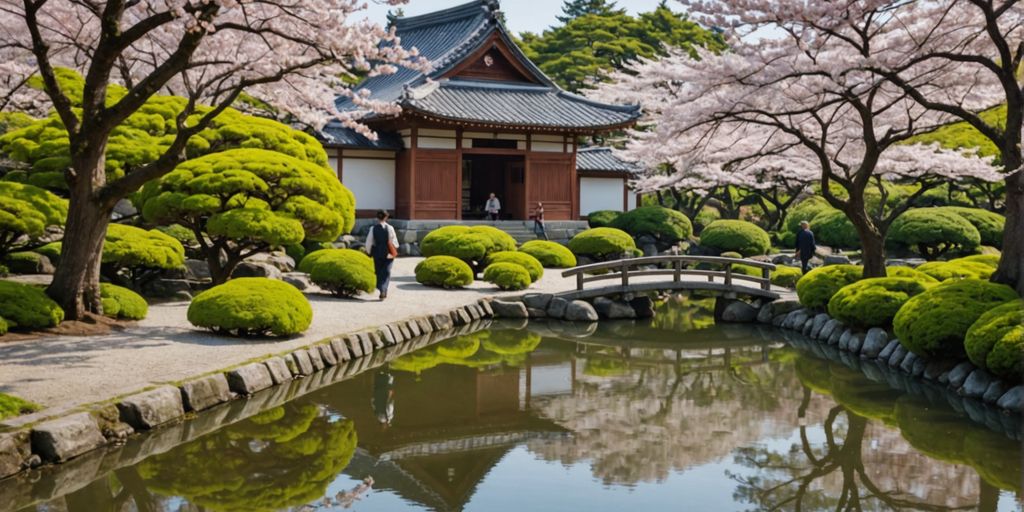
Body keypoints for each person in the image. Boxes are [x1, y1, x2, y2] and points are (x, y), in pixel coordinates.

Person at [364, 209, 399, 300]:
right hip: (388, 252)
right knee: (387, 272)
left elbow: (369, 242)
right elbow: (394, 241)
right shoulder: (390, 228)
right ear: (386, 217)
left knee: (378, 271)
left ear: (377, 217)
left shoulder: (373, 228)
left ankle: (381, 289)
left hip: (377, 252)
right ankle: (383, 290)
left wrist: (369, 251)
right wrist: (394, 249)